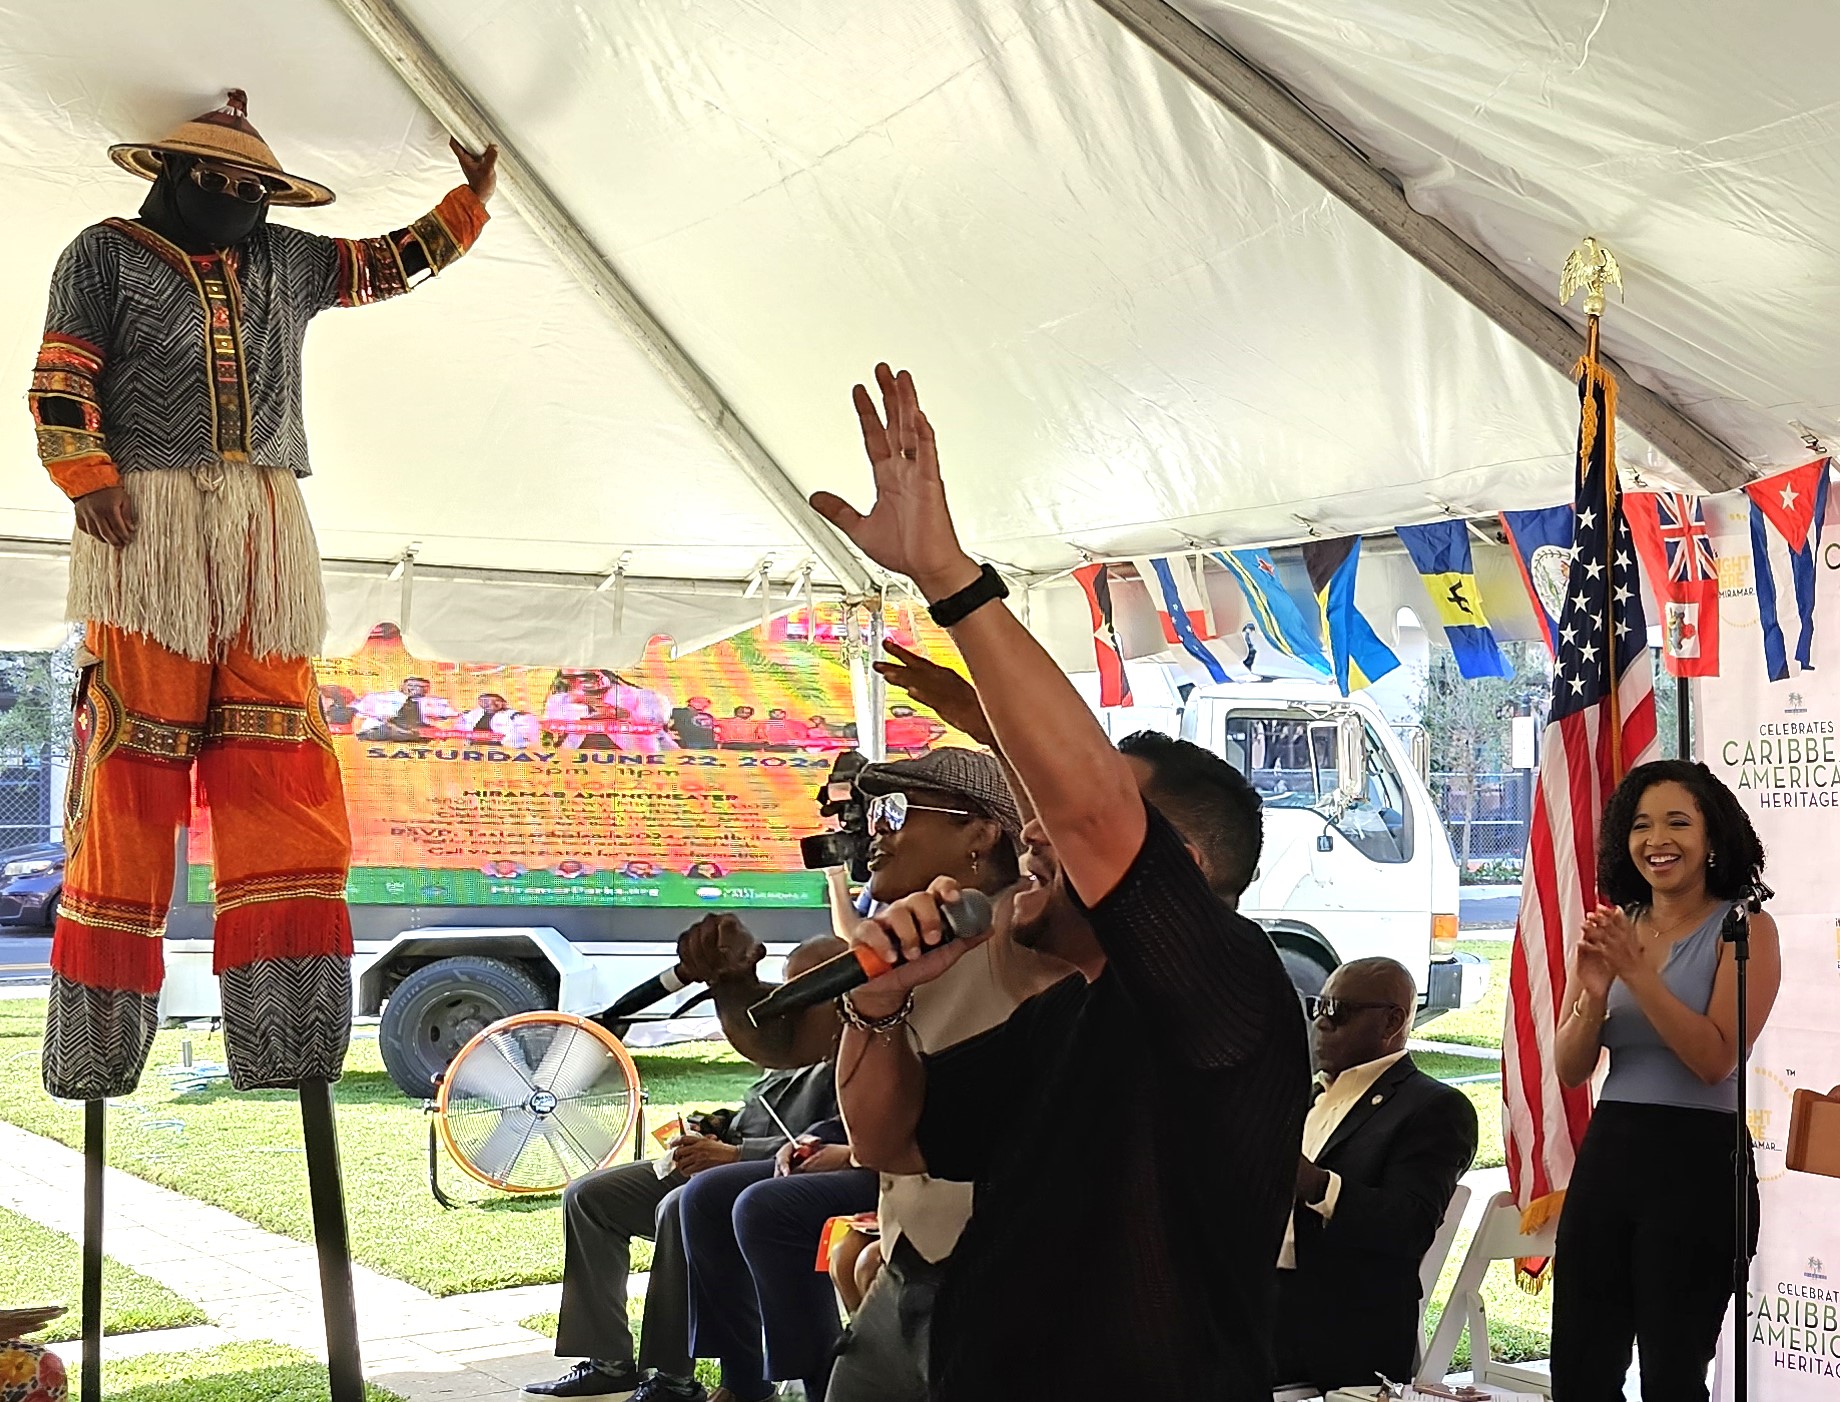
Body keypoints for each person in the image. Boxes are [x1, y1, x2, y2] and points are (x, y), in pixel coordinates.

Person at [813, 364, 1309, 1400]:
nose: (1035, 832)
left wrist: (950, 579)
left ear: (1188, 875)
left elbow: (1090, 812)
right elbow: (889, 1136)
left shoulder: (1232, 993)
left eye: (1087, 822)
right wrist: (874, 1002)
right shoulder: (1070, 1016)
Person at [32, 88, 496, 1099]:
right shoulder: (101, 254)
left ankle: (288, 1040)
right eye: (220, 181)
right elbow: (61, 373)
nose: (239, 197)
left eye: (254, 186)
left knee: (280, 769)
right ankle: (97, 1051)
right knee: (125, 783)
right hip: (144, 528)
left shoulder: (288, 258)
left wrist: (468, 206)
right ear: (169, 175)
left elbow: (381, 264)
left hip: (262, 530)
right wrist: (86, 476)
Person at [675, 745, 1056, 1402]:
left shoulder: (1030, 933)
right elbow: (790, 1042)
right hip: (919, 1253)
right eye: (871, 811)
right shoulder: (895, 938)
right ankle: (769, 1382)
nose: (873, 830)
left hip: (1010, 1273)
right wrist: (733, 986)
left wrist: (984, 705)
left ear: (981, 830)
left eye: (896, 810)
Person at [525, 934, 849, 1399]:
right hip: (723, 1159)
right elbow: (760, 1110)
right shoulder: (789, 1037)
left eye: (803, 986)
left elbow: (836, 1139)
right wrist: (717, 1127)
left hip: (766, 1176)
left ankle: (673, 1379)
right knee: (590, 1196)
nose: (787, 999)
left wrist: (738, 1155)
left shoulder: (852, 1046)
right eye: (787, 985)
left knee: (681, 1207)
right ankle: (608, 1361)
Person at [1550, 759, 1777, 1401]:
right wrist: (1594, 996)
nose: (1659, 840)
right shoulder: (1615, 929)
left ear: (1713, 839)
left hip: (1699, 1164)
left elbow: (1715, 1061)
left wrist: (1639, 974)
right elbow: (1570, 1068)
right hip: (1612, 1155)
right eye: (1642, 825)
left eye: (1678, 822)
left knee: (1672, 1376)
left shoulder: (1745, 928)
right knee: (1580, 1367)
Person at [1275, 958, 1478, 1390]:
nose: (1322, 1024)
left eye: (1338, 1011)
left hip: (1337, 1323)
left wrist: (1315, 1184)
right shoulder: (1303, 1094)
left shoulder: (1432, 1109)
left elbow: (1409, 1224)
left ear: (1393, 1020)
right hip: (1255, 1302)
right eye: (1318, 1008)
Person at [354, 676, 460, 741]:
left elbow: (453, 714)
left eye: (422, 687)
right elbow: (358, 710)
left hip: (416, 731)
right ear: (402, 686)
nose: (416, 689)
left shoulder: (435, 702)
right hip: (383, 729)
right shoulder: (379, 697)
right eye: (412, 686)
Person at [458, 692, 542, 748]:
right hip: (476, 748)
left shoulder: (513, 715)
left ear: (504, 703)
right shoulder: (473, 714)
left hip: (504, 749)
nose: (491, 703)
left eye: (496, 701)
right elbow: (461, 727)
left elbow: (531, 731)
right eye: (485, 701)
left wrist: (522, 742)